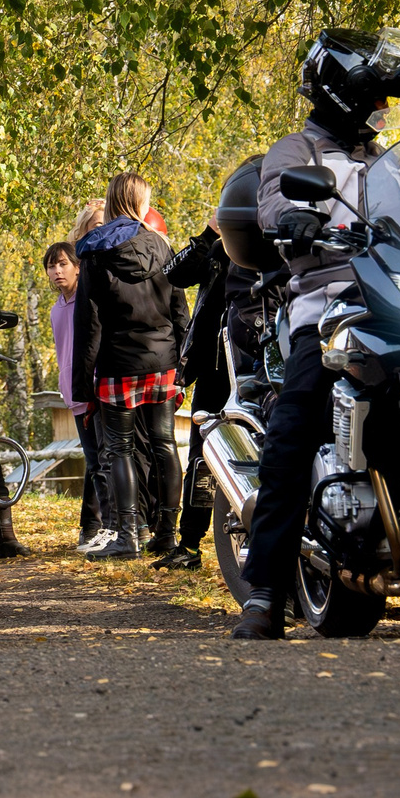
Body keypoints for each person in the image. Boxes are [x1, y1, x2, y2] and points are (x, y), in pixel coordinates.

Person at [231, 28, 400, 639]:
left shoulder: (394, 158)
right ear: (343, 94)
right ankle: (265, 591)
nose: (383, 107)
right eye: (375, 96)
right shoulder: (296, 151)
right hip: (329, 303)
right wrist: (293, 218)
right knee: (294, 430)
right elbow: (272, 201)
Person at [76, 173, 184, 560]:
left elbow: (88, 328)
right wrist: (184, 364)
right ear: (140, 203)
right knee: (165, 444)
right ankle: (167, 535)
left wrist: (81, 390)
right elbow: (179, 310)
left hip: (119, 364)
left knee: (119, 449)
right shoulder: (163, 245)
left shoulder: (94, 253)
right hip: (164, 362)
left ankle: (128, 537)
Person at [162, 214, 237, 570]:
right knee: (203, 455)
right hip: (215, 367)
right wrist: (210, 232)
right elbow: (174, 273)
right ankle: (190, 543)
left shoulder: (278, 241)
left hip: (261, 364)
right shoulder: (222, 247)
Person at [44, 240, 108, 549]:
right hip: (75, 395)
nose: (57, 271)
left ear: (77, 267)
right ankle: (97, 527)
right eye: (51, 266)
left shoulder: (91, 298)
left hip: (98, 389)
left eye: (63, 264)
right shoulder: (56, 309)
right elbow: (63, 353)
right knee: (95, 460)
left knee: (104, 460)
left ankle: (108, 526)